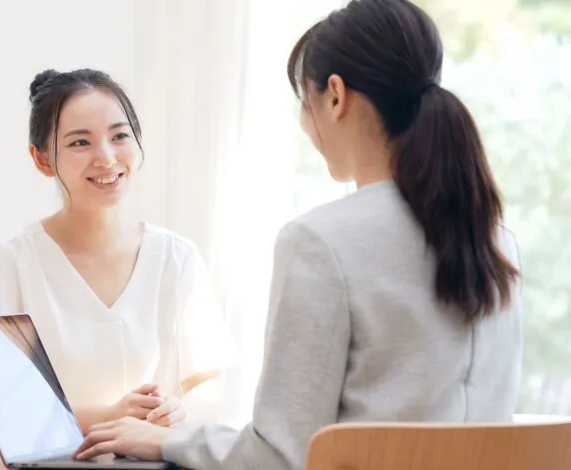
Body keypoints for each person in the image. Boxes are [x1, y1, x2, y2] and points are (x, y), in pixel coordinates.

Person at [72, 0, 523, 468]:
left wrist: (166, 442)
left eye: (303, 101)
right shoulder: (497, 241)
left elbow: (278, 456)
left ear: (335, 96)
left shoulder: (320, 242)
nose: (305, 122)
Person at [0, 68, 237, 435]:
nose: (106, 157)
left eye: (120, 136)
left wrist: (176, 413)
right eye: (80, 142)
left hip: (153, 457)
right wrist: (111, 416)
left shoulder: (176, 257)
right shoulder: (9, 263)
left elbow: (209, 389)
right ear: (42, 160)